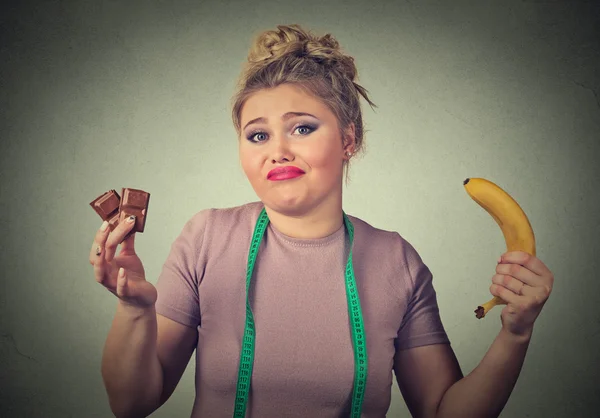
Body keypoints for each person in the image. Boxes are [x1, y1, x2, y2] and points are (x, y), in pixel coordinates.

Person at [89, 24, 554, 418]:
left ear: (348, 139)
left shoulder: (397, 262)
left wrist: (516, 334)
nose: (278, 151)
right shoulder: (207, 238)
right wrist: (134, 309)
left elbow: (443, 411)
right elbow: (132, 404)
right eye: (257, 135)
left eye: (303, 127)